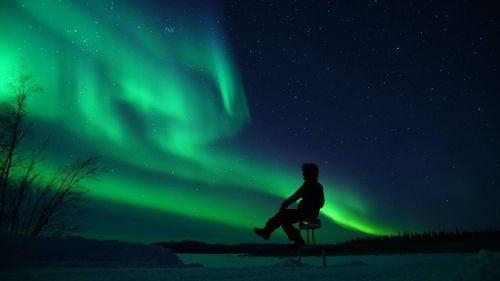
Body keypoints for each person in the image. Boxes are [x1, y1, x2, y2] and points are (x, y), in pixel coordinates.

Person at [254, 163, 325, 248]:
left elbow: (319, 203)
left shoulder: (313, 186)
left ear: (309, 173)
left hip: (307, 213)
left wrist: (288, 204)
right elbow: (296, 196)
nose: (303, 174)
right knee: (283, 219)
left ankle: (267, 232)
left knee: (283, 215)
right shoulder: (310, 185)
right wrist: (285, 203)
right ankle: (298, 240)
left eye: (304, 172)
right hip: (305, 212)